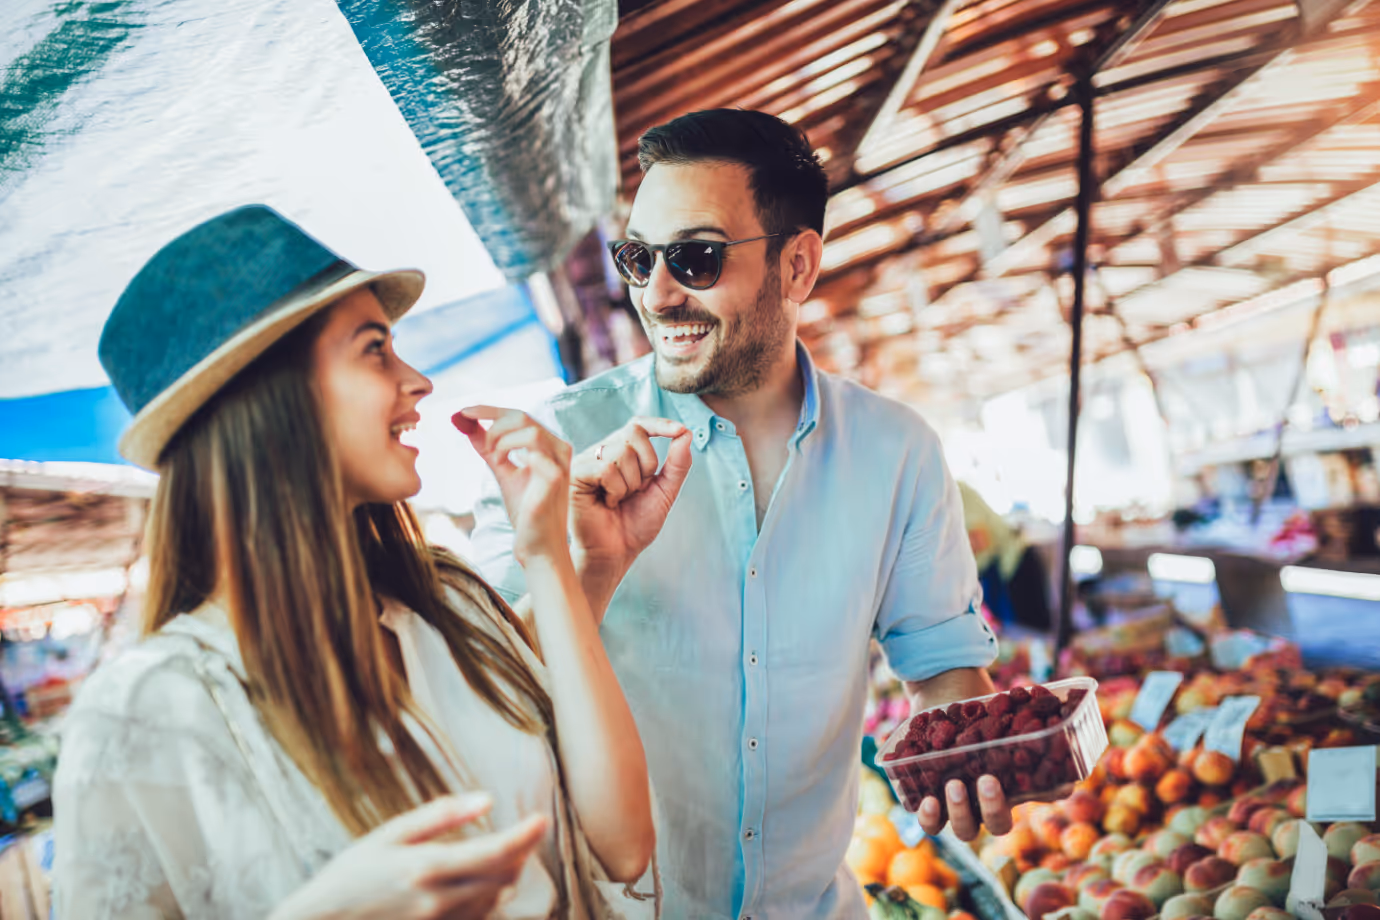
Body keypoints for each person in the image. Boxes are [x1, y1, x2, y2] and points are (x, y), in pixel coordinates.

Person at [470, 110, 1012, 920]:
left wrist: (967, 754)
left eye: (695, 256)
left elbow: (943, 673)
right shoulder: (556, 448)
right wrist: (586, 569)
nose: (656, 292)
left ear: (798, 265)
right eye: (637, 258)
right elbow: (481, 695)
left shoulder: (897, 452)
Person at [52, 205, 663, 919]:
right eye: (375, 349)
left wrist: (550, 553)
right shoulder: (145, 715)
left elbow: (623, 848)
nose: (418, 382)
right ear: (267, 399)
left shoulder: (450, 605)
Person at [959, 481, 1052, 632]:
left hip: (1014, 563)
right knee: (1000, 634)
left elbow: (980, 539)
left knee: (1031, 635)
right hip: (992, 572)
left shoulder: (953, 491)